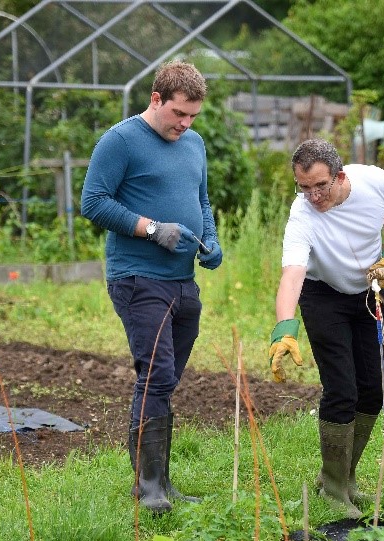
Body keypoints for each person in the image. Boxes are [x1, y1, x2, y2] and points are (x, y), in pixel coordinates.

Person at [81, 60, 223, 514]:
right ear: (156, 99)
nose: (185, 124)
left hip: (184, 280)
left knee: (164, 382)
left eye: (193, 116)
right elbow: (93, 201)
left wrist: (212, 240)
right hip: (138, 278)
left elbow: (201, 198)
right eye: (179, 113)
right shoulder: (120, 140)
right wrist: (149, 228)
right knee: (156, 377)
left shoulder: (194, 143)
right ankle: (149, 490)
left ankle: (160, 482)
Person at [268, 138, 384, 518]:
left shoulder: (376, 182)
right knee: (342, 388)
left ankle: (345, 479)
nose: (313, 195)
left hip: (371, 292)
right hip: (323, 295)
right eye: (303, 187)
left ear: (340, 176)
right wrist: (284, 327)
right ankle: (332, 491)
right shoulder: (302, 215)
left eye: (320, 185)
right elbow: (292, 274)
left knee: (376, 386)